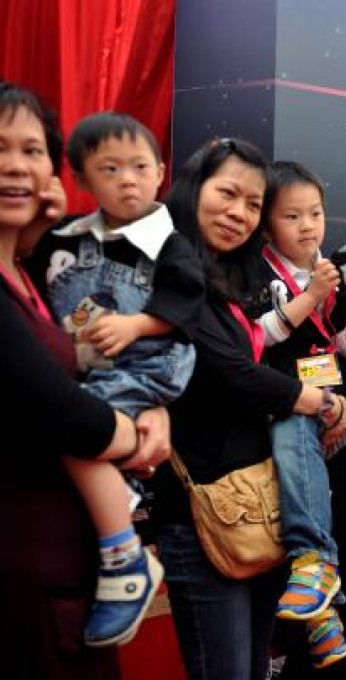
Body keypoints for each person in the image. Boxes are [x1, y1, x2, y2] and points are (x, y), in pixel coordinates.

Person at [149, 137, 346, 680]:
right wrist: (308, 400)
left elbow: (261, 358)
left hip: (259, 504)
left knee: (257, 665)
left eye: (252, 203)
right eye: (227, 194)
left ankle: (322, 591)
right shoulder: (169, 268)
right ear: (192, 187)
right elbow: (226, 371)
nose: (239, 213)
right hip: (203, 511)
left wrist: (326, 407)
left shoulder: (230, 279)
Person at [0, 80, 171, 679]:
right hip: (21, 577)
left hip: (70, 577)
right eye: (0, 149)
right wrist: (139, 438)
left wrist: (158, 410)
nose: (16, 167)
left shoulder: (31, 274)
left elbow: (78, 368)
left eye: (31, 150)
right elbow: (56, 408)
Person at [22, 111, 204, 647]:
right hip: (92, 366)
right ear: (80, 179)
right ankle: (115, 498)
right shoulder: (68, 237)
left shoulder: (168, 241)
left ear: (159, 173)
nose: (127, 178)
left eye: (139, 167)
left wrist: (137, 324)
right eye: (110, 168)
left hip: (149, 363)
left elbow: (187, 304)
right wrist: (40, 222)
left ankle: (123, 552)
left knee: (76, 425)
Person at [254, 160, 346, 668]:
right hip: (282, 407)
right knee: (284, 513)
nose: (309, 225)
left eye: (316, 212)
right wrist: (309, 295)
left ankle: (320, 593)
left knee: (319, 503)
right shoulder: (257, 271)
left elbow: (342, 348)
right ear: (265, 222)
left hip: (332, 412)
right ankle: (316, 613)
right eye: (293, 216)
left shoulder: (330, 269)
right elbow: (255, 338)